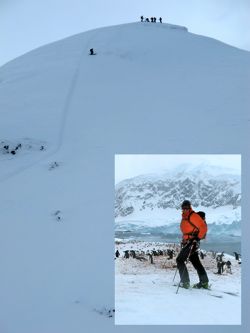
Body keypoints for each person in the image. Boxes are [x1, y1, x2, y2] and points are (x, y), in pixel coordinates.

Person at [176, 200, 209, 289]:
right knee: (195, 261)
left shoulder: (193, 216)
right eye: (183, 208)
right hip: (188, 241)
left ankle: (185, 282)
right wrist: (184, 239)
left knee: (179, 260)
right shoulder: (184, 217)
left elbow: (203, 228)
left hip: (193, 242)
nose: (185, 209)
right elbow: (187, 231)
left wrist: (197, 238)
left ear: (190, 207)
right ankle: (204, 282)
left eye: (187, 208)